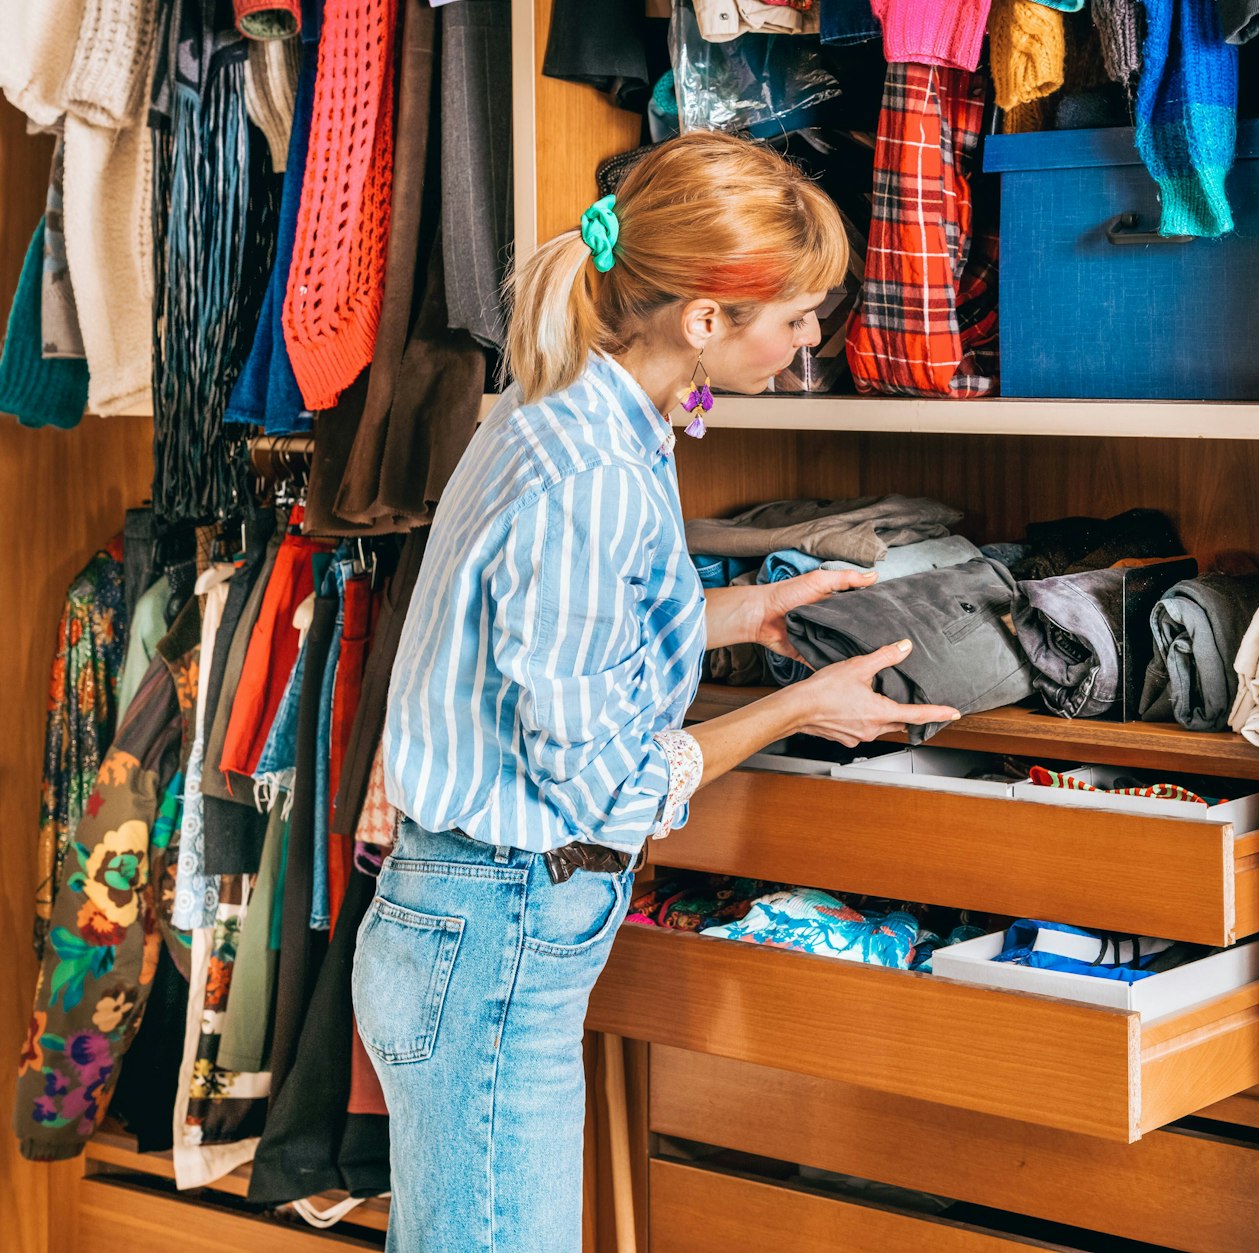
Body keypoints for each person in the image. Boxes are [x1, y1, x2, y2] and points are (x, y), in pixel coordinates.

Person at [354, 132, 958, 1252]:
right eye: (793, 314)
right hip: (494, 926)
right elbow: (602, 789)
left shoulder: (580, 414)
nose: (810, 337)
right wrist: (792, 706)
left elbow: (550, 640)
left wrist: (741, 615)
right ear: (703, 322)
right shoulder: (593, 476)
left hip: (483, 919)